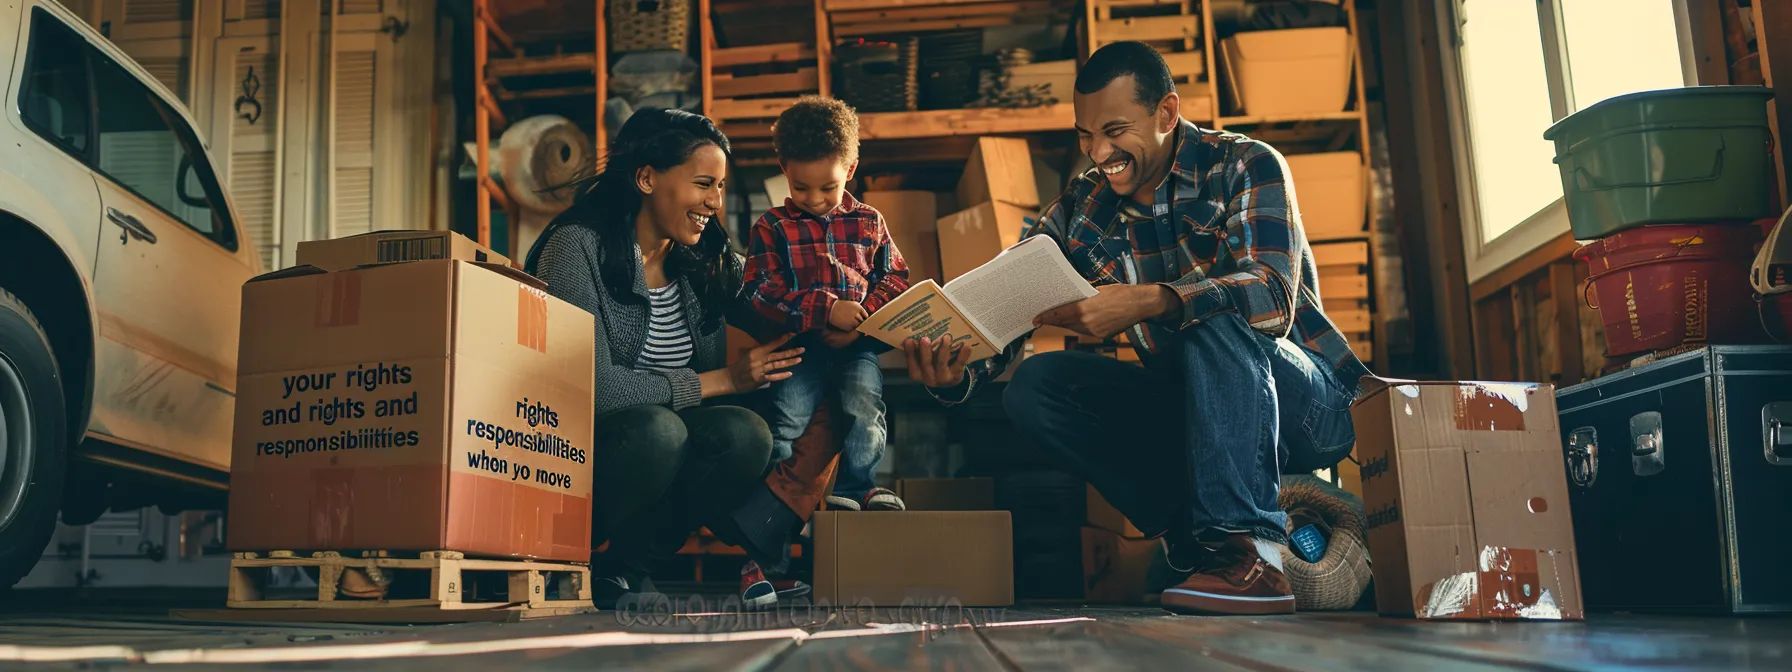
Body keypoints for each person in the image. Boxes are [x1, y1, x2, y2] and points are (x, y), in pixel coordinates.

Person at [901, 41, 1371, 616]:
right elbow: (1015, 295)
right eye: (1084, 134)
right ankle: (1191, 537)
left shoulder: (1247, 164)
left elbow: (1271, 299)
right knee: (1038, 386)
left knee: (1211, 314)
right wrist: (959, 367)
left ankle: (1253, 557)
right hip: (1195, 408)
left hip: (1308, 408)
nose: (1098, 152)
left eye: (1115, 130)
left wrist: (1151, 301)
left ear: (1166, 114)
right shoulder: (1086, 204)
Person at [523, 108, 803, 609]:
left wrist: (857, 316)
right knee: (661, 430)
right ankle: (567, 555)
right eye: (703, 184)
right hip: (577, 450)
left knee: (745, 435)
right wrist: (723, 380)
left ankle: (625, 570)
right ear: (647, 178)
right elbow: (596, 388)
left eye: (719, 186)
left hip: (660, 453)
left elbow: (782, 314)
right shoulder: (575, 248)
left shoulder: (704, 258)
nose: (714, 202)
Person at [742, 96, 909, 514]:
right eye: (800, 187)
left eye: (828, 187)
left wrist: (863, 317)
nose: (814, 199)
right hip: (797, 348)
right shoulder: (771, 227)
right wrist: (825, 308)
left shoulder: (870, 221)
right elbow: (760, 290)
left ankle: (857, 489)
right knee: (787, 422)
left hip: (857, 346)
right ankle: (764, 511)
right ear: (784, 170)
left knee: (864, 405)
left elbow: (894, 278)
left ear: (849, 170)